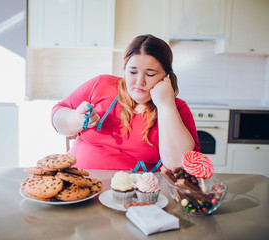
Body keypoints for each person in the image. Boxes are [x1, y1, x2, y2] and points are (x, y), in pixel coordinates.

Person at [51, 34, 200, 171]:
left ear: (166, 76)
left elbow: (179, 165)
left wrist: (166, 106)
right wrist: (76, 119)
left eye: (150, 74)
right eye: (133, 72)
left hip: (132, 195)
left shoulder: (176, 108)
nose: (139, 82)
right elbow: (57, 119)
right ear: (124, 69)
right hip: (76, 184)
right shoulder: (101, 84)